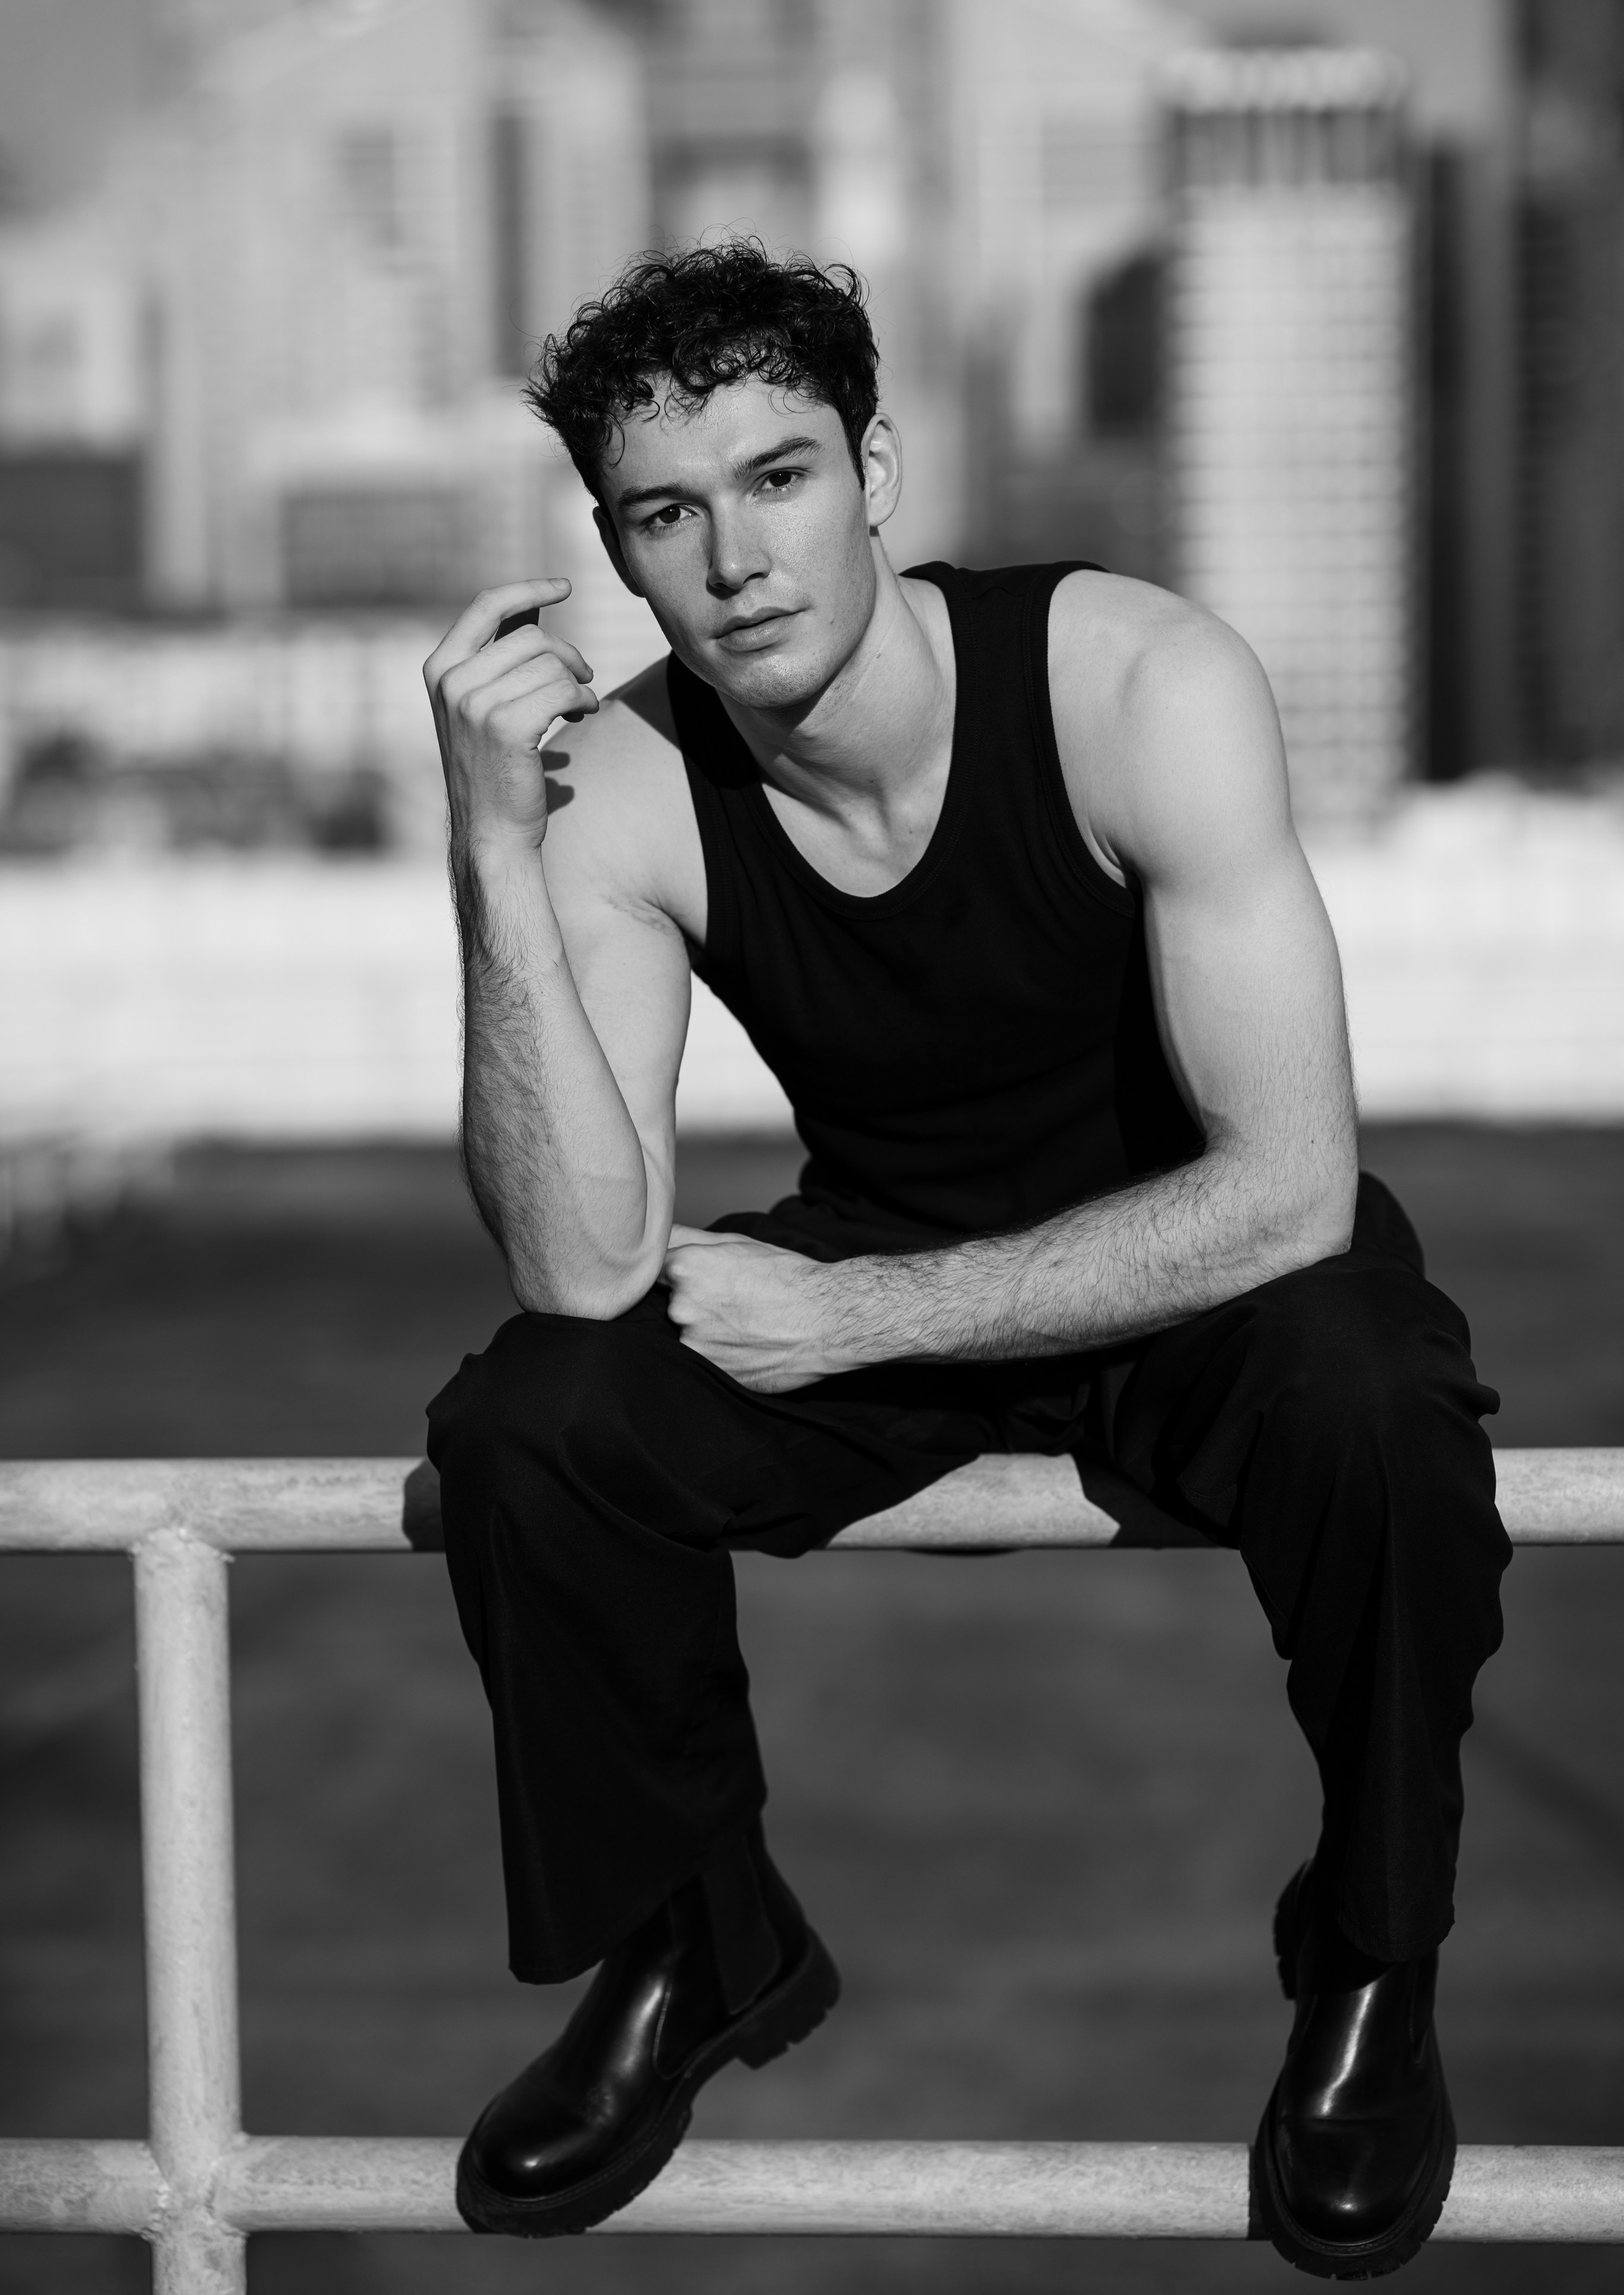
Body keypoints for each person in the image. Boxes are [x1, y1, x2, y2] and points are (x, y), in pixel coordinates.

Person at [422, 242, 1509, 2278]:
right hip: (887, 1247)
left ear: (878, 472)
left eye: (780, 478)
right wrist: (491, 840)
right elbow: (578, 1267)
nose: (736, 559)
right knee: (531, 1424)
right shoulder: (624, 784)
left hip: (1211, 1263)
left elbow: (1291, 1187)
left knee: (1376, 1400)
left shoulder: (1138, 683)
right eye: (667, 514)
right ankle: (691, 1939)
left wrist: (851, 1318)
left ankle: (1375, 1958)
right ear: (615, 555)